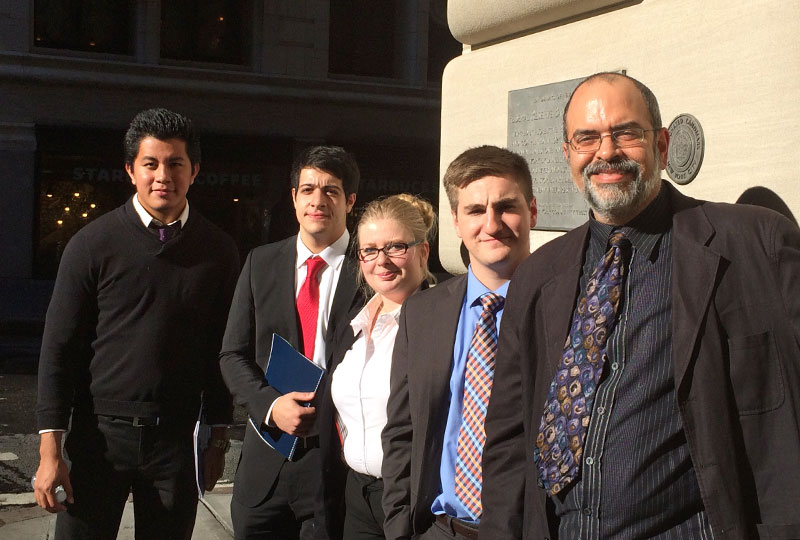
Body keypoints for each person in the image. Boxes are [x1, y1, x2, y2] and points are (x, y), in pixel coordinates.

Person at [480, 72, 800, 540]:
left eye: (626, 133)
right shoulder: (537, 275)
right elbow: (509, 437)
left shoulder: (757, 244)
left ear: (662, 145)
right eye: (586, 138)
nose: (606, 152)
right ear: (568, 154)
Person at [34, 108, 239, 539]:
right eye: (150, 164)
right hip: (98, 439)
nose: (162, 175)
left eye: (175, 163)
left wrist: (217, 437)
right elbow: (59, 350)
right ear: (131, 170)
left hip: (176, 443)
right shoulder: (91, 244)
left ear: (194, 171)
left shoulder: (218, 251)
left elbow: (221, 350)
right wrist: (50, 450)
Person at [381, 146, 538, 540]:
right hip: (440, 529)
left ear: (532, 210)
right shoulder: (422, 313)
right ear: (455, 221)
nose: (492, 224)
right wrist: (400, 529)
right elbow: (402, 431)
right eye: (474, 211)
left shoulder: (562, 308)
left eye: (506, 206)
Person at [220, 145, 364, 540]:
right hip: (266, 458)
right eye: (308, 189)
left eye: (331, 191)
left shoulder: (371, 268)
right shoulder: (259, 263)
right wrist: (270, 405)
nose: (318, 200)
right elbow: (232, 355)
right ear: (294, 197)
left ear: (350, 201)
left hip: (336, 464)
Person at [317, 194, 437, 540]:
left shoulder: (439, 324)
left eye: (396, 247)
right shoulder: (354, 324)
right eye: (369, 250)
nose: (381, 261)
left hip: (415, 499)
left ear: (423, 252)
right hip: (357, 495)